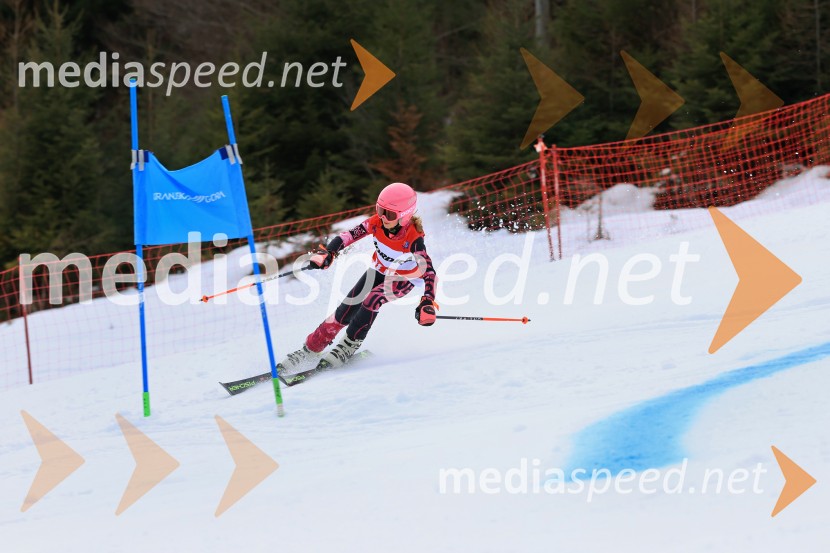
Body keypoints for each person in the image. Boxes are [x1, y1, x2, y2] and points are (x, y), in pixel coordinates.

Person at [279, 182, 438, 372]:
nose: (382, 216)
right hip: (379, 271)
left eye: (389, 214)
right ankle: (311, 348)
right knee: (345, 310)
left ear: (405, 215)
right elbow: (348, 236)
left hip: (403, 279)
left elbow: (429, 272)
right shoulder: (377, 222)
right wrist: (329, 253)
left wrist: (427, 301)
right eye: (379, 209)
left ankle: (348, 345)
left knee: (373, 299)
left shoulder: (413, 237)